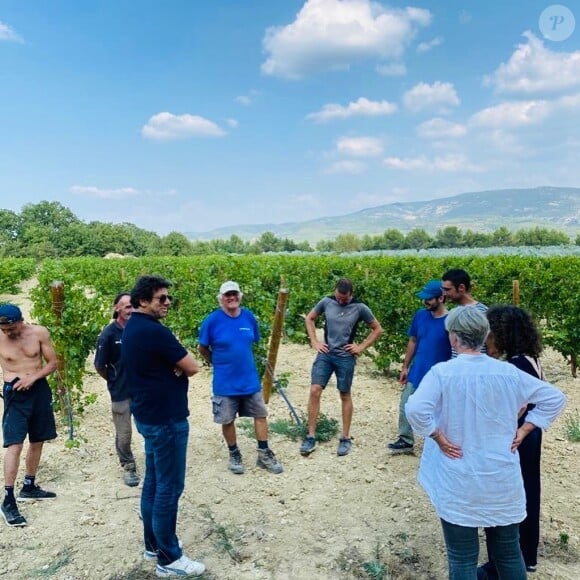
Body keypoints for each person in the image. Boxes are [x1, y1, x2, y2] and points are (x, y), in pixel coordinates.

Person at [405, 306, 566, 580]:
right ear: (484, 335)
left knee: (462, 558)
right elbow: (554, 398)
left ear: (454, 337)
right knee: (508, 553)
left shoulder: (442, 373)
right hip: (500, 479)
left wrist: (438, 436)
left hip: (459, 480)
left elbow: (415, 408)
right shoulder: (507, 373)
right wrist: (526, 428)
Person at [121, 276, 206, 577]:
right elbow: (193, 366)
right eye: (161, 298)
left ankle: (152, 544)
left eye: (168, 297)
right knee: (169, 487)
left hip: (147, 414)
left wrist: (175, 366)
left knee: (155, 483)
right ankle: (169, 559)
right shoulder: (156, 332)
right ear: (143, 301)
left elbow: (178, 365)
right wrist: (178, 368)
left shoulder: (132, 327)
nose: (168, 303)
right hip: (166, 420)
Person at [479, 306, 547, 575]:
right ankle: (526, 555)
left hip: (519, 435)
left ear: (501, 334)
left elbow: (514, 408)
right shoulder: (529, 358)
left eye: (489, 335)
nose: (486, 342)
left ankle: (508, 560)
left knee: (513, 494)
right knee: (528, 489)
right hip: (529, 434)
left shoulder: (516, 365)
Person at [198, 281, 283, 475]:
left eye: (234, 294)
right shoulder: (212, 321)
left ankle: (263, 453)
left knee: (260, 415)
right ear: (221, 299)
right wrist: (217, 363)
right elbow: (202, 348)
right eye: (227, 295)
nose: (231, 298)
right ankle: (234, 453)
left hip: (249, 381)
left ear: (240, 296)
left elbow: (251, 343)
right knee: (227, 420)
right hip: (224, 382)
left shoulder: (248, 318)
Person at [300, 278, 383, 457]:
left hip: (345, 358)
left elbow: (377, 329)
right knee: (315, 389)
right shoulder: (326, 302)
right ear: (335, 292)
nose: (340, 301)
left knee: (344, 394)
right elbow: (310, 318)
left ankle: (345, 438)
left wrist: (360, 347)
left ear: (350, 295)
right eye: (338, 297)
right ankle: (310, 436)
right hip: (326, 354)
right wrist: (314, 341)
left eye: (344, 299)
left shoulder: (360, 308)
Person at [0, 304, 57, 528]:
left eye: (11, 328)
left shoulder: (39, 333)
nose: (8, 333)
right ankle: (8, 498)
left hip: (39, 390)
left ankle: (29, 485)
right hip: (14, 394)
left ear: (20, 321)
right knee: (14, 444)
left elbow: (52, 363)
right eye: (4, 330)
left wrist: (33, 378)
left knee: (38, 439)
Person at [387, 280, 451, 455]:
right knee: (406, 405)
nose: (425, 302)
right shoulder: (420, 315)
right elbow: (413, 340)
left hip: (439, 376)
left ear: (441, 297)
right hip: (417, 371)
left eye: (429, 299)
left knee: (440, 411)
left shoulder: (450, 321)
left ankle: (439, 446)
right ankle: (406, 440)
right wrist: (405, 367)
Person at [94, 292, 139, 487]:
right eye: (127, 306)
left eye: (133, 306)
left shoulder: (140, 329)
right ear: (117, 308)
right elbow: (99, 365)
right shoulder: (108, 334)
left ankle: (156, 461)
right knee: (124, 433)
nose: (131, 310)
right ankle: (128, 465)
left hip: (143, 390)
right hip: (120, 391)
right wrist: (113, 380)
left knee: (152, 427)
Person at [441, 268, 487, 356]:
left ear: (461, 287)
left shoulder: (482, 312)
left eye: (447, 289)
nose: (444, 294)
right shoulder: (453, 313)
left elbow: (492, 349)